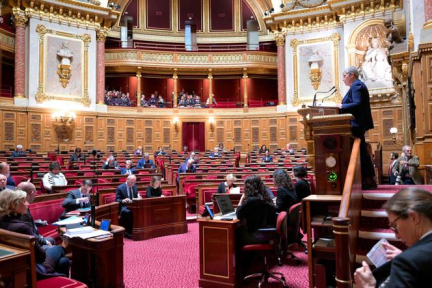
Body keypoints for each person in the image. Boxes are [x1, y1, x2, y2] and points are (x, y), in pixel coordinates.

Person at [354, 187, 432, 288]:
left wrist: (368, 286)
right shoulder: (413, 259)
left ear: (414, 217)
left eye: (394, 226)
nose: (397, 236)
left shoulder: (407, 262)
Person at [0, 189, 70, 276]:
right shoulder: (22, 227)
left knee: (63, 261)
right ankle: (50, 270)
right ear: (14, 205)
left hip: (17, 262)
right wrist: (47, 248)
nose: (27, 204)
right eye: (24, 201)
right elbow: (40, 256)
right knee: (59, 249)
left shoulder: (3, 221)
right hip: (33, 268)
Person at [337, 66, 376, 190]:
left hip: (355, 124)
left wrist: (340, 105)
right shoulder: (357, 86)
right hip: (355, 124)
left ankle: (367, 179)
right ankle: (367, 180)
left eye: (344, 76)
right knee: (361, 152)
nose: (343, 79)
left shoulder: (357, 86)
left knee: (361, 153)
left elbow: (357, 104)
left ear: (352, 75)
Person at [236, 175, 277, 244]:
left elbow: (238, 214)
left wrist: (241, 199)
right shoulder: (266, 198)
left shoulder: (252, 200)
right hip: (267, 233)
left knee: (234, 232)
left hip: (256, 235)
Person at [18, 181, 55, 247]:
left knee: (51, 240)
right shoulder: (22, 209)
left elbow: (26, 223)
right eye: (35, 193)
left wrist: (39, 223)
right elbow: (28, 232)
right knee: (58, 248)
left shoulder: (18, 205)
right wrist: (44, 241)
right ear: (32, 193)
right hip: (31, 244)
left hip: (27, 240)